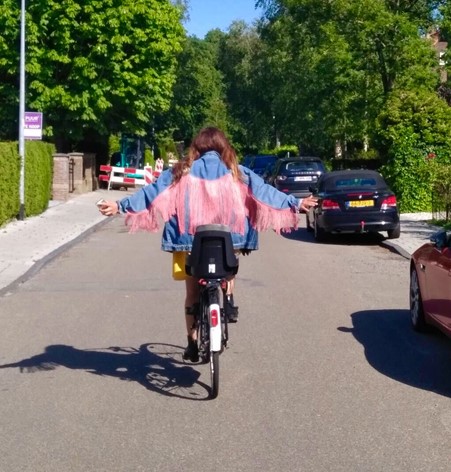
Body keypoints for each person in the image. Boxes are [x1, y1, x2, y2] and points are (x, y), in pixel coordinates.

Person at [98, 127, 317, 362]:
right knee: (229, 261)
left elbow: (151, 193)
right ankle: (229, 302)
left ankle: (192, 342)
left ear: (197, 148)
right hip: (228, 240)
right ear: (224, 148)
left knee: (192, 293)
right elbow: (265, 193)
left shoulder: (180, 172)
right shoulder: (237, 172)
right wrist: (296, 202)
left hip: (191, 242)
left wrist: (120, 206)